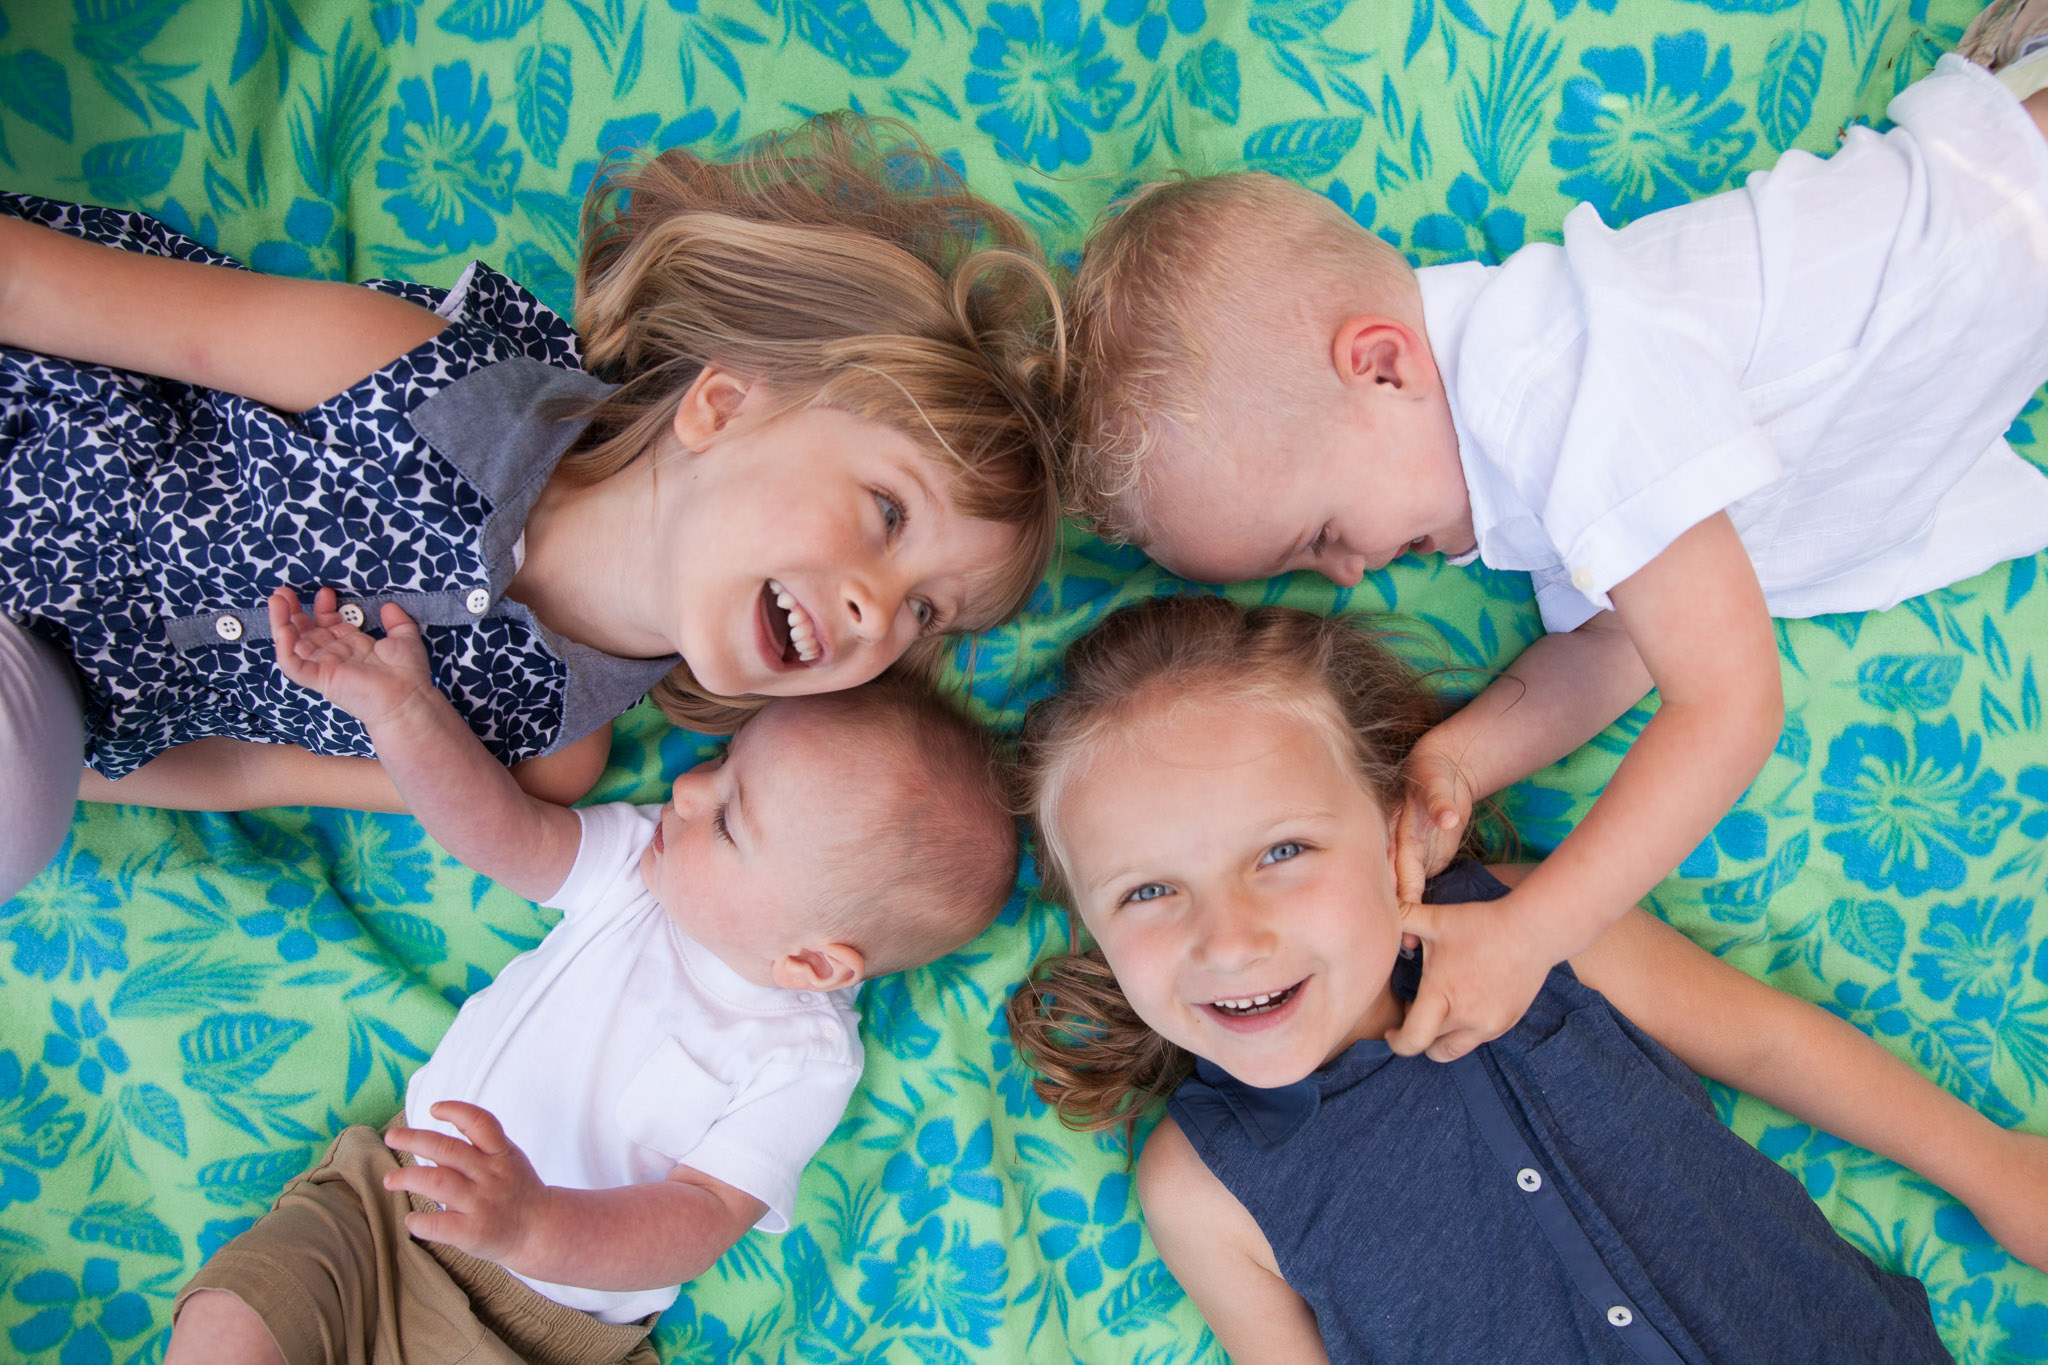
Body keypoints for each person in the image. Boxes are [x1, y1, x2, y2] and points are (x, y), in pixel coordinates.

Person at [1054, 36, 2048, 1062]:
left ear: (1383, 367)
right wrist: (1460, 759)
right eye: (1309, 569)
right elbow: (1618, 645)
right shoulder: (1509, 476)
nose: (1350, 574)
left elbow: (1726, 704)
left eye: (1322, 535)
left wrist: (1533, 931)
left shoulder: (1545, 376)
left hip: (1998, 220)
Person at [0, 112, 1062, 902]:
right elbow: (44, 293)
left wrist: (52, 789)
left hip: (40, 687)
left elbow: (244, 767)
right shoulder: (420, 383)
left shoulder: (550, 748)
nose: (881, 613)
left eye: (926, 611)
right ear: (723, 406)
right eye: (887, 512)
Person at [1007, 595, 2048, 1365]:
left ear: (1391, 823)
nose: (1229, 940)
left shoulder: (1531, 919)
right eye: (1147, 892)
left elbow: (1765, 1042)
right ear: (1090, 927)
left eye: (1281, 851)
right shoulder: (1200, 1183)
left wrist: (1995, 1171)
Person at [162, 588, 1018, 1365]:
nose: (688, 788)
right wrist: (403, 713)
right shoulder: (645, 866)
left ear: (812, 962)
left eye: (728, 819)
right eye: (722, 761)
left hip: (531, 1325)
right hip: (383, 1213)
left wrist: (534, 1223)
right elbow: (503, 833)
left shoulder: (802, 1056)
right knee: (234, 1321)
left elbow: (699, 1218)